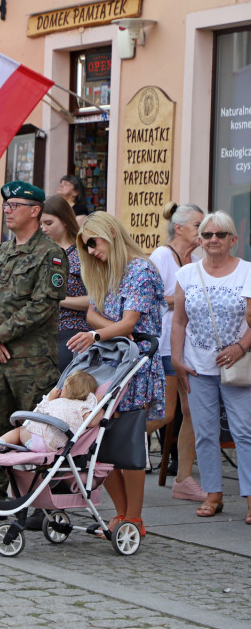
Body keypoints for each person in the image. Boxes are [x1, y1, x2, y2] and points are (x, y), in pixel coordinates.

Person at [0, 182, 67, 525]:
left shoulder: (50, 254)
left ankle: (37, 505)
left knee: (36, 435)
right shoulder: (0, 253)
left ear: (35, 211)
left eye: (15, 205)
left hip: (31, 363)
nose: (7, 210)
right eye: (6, 205)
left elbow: (42, 306)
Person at [69, 211, 165, 535]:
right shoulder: (105, 271)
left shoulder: (141, 269)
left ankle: (134, 518)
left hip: (136, 366)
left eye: (93, 243)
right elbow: (95, 315)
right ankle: (121, 515)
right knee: (98, 441)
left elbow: (127, 323)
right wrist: (118, 330)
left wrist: (103, 332)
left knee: (127, 444)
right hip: (112, 362)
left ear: (110, 233)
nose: (92, 252)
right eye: (87, 247)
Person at [171, 211, 251, 524]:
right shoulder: (187, 275)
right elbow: (179, 321)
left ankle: (249, 497)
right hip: (196, 367)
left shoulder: (246, 272)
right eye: (207, 235)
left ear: (233, 239)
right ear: (200, 241)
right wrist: (177, 360)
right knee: (205, 434)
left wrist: (240, 347)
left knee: (244, 432)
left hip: (238, 368)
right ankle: (213, 494)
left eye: (220, 235)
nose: (213, 240)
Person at [149, 203, 206, 502]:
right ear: (180, 228)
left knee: (192, 412)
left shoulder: (196, 260)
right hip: (164, 346)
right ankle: (105, 451)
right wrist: (183, 298)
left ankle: (184, 478)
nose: (204, 231)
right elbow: (152, 298)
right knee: (164, 414)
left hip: (189, 347)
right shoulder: (161, 255)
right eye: (199, 225)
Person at [0, 370, 100, 454]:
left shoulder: (53, 402)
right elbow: (92, 422)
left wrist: (49, 398)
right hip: (55, 446)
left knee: (20, 430)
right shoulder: (82, 408)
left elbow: (39, 411)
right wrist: (99, 406)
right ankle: (1, 443)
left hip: (33, 439)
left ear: (64, 389)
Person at [40, 195, 90, 371]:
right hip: (40, 330)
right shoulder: (41, 253)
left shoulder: (83, 255)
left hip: (72, 330)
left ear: (65, 221)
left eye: (49, 223)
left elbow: (95, 300)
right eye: (41, 224)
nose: (44, 229)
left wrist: (59, 300)